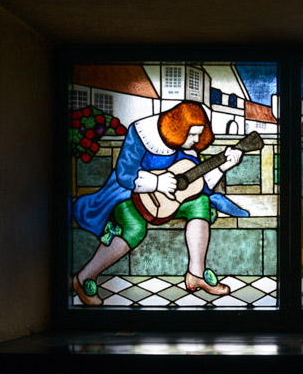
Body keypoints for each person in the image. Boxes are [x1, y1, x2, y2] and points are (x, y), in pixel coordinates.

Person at [71, 101, 245, 306]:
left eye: (199, 134)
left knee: (201, 203)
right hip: (129, 195)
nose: (196, 140)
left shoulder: (187, 149)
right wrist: (156, 182)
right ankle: (84, 277)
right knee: (134, 228)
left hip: (166, 204)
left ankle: (196, 274)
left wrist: (223, 167)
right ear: (178, 129)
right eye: (192, 134)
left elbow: (197, 185)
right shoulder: (142, 133)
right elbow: (125, 175)